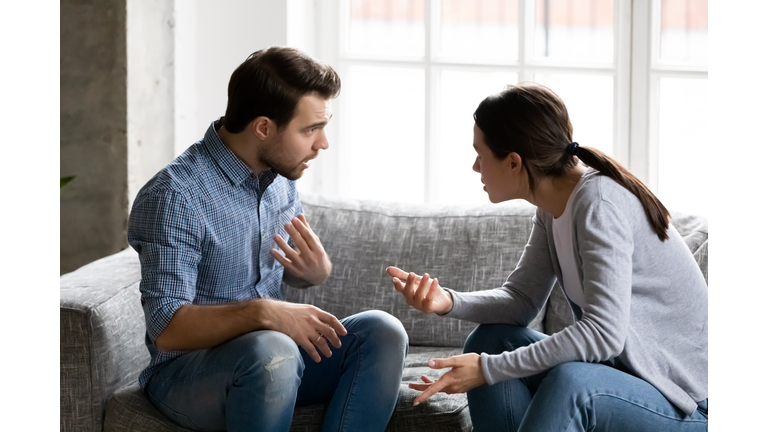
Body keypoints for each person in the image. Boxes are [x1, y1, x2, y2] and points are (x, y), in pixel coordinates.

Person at [386, 82, 707, 431]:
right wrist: (447, 301)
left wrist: (487, 369)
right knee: (490, 340)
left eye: (480, 153)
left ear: (513, 162)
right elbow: (520, 301)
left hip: (687, 405)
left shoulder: (599, 204)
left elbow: (603, 334)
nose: (475, 166)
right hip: (630, 382)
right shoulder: (552, 207)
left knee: (574, 384)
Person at [128, 46, 408, 432]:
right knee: (272, 349)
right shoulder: (174, 196)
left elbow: (266, 270)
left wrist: (312, 273)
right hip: (189, 374)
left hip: (276, 362)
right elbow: (167, 330)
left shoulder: (280, 178)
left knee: (382, 331)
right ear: (263, 127)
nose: (322, 143)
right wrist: (264, 312)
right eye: (310, 129)